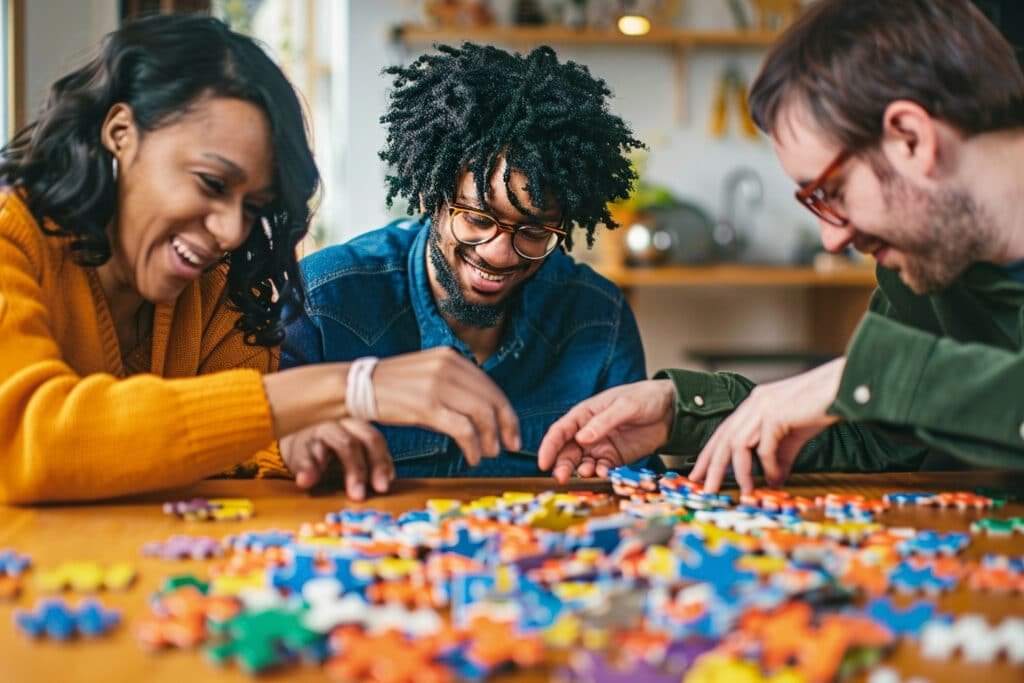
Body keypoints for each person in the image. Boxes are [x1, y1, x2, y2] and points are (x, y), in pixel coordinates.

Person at [0, 15, 519, 504]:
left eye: (253, 207)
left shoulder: (212, 290)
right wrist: (350, 386)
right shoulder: (11, 236)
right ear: (120, 134)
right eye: (211, 183)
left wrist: (296, 443)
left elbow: (232, 440)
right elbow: (29, 439)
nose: (230, 232)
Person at [538, 0, 1024, 493]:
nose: (833, 237)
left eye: (830, 194)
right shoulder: (925, 255)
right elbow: (878, 441)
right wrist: (680, 412)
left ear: (911, 138)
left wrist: (858, 376)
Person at [280, 42, 647, 492]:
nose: (499, 254)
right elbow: (260, 445)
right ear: (428, 196)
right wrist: (295, 439)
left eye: (533, 232)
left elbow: (640, 489)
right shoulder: (324, 300)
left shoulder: (599, 318)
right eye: (476, 218)